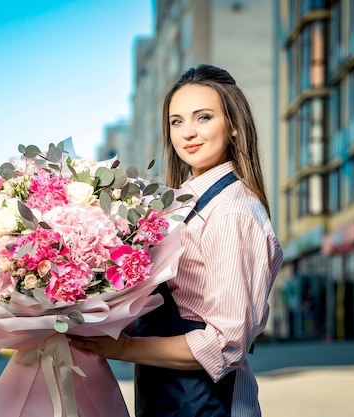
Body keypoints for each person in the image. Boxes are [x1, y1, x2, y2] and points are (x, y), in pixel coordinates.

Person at [69, 64, 283, 416]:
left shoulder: (232, 213)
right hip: (167, 395)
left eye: (203, 117)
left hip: (208, 402)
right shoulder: (182, 204)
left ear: (232, 125)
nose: (188, 133)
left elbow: (224, 344)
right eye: (177, 121)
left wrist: (124, 347)